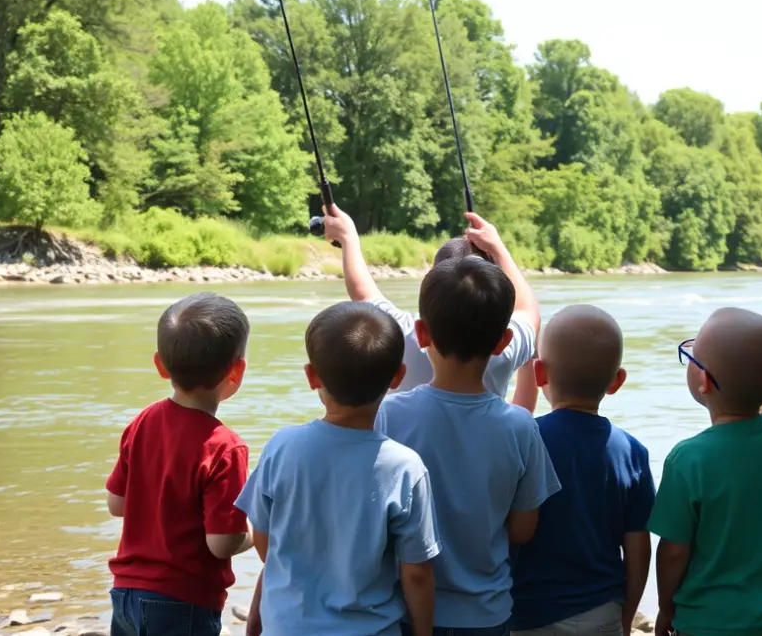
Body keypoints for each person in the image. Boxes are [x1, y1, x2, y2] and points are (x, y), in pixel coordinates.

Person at [377, 255, 562, 635]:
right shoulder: (520, 426)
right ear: (503, 342)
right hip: (486, 612)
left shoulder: (390, 414)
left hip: (405, 608)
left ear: (421, 333)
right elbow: (524, 528)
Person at [237, 302, 439, 636]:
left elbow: (264, 538)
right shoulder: (404, 467)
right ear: (397, 378)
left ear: (311, 376)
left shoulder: (282, 447)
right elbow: (416, 572)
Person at [650, 307, 762, 636]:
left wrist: (665, 608)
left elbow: (673, 552)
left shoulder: (687, 459)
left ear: (704, 380)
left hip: (705, 625)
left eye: (691, 354)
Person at [105, 292, 254, 636]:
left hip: (125, 593)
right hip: (182, 602)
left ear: (159, 365)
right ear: (237, 372)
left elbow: (117, 504)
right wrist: (261, 533)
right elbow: (221, 542)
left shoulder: (142, 422)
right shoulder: (225, 447)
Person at [511, 305, 655, 636]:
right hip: (601, 610)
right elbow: (638, 548)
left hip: (529, 611)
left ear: (539, 374)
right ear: (617, 381)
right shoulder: (632, 451)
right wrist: (626, 612)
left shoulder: (524, 441)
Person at [322, 205, 539, 403]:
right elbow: (529, 310)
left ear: (422, 333)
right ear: (503, 340)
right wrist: (498, 248)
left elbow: (362, 291)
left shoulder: (405, 335)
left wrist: (348, 237)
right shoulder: (504, 350)